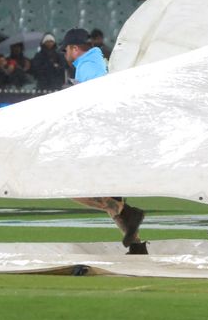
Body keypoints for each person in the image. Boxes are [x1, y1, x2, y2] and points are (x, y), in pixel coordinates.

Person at [59, 28, 145, 250]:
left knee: (72, 188)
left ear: (75, 49)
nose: (65, 54)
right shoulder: (98, 62)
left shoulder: (88, 67)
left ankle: (127, 214)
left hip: (101, 138)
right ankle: (136, 246)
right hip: (114, 136)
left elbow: (100, 100)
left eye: (66, 49)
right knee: (111, 193)